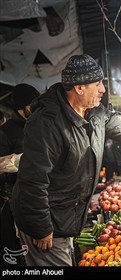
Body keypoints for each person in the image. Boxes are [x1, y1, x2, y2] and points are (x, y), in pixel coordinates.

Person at [10, 54, 121, 266]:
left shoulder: (95, 114)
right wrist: (41, 228)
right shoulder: (46, 123)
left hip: (66, 216)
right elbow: (33, 180)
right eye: (97, 84)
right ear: (79, 88)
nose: (103, 89)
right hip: (46, 219)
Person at [0, 83, 40, 267]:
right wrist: (24, 160)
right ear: (22, 106)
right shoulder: (5, 132)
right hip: (16, 201)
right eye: (32, 104)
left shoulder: (39, 125)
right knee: (19, 254)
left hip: (40, 198)